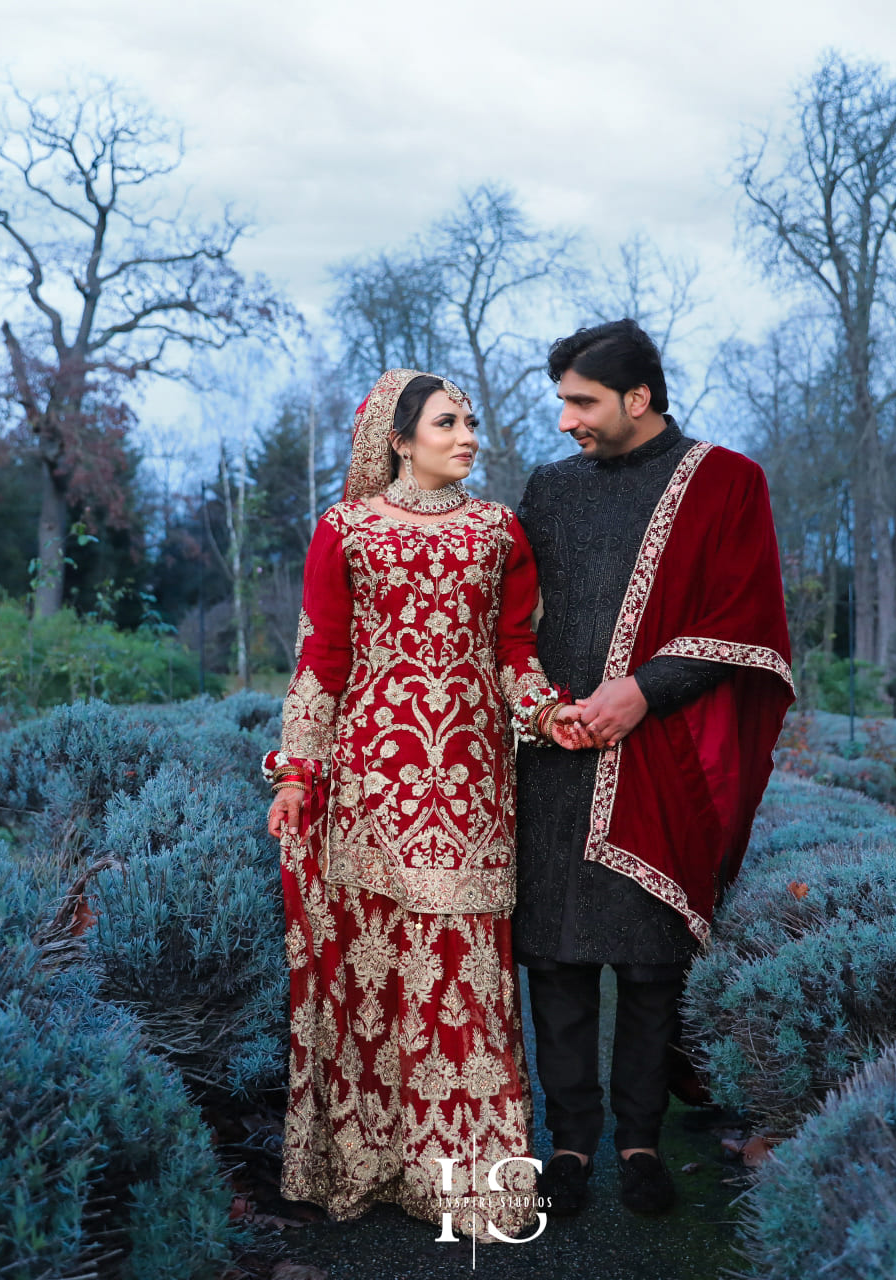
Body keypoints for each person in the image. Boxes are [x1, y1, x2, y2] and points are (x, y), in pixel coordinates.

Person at [264, 369, 594, 1240]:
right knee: (375, 971)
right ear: (399, 441)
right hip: (372, 783)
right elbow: (323, 658)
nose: (468, 435)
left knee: (465, 970)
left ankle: (471, 1187)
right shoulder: (347, 531)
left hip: (476, 782)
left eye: (471, 421)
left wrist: (546, 712)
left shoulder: (498, 532)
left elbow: (513, 649)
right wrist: (298, 773)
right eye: (447, 423)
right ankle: (370, 1167)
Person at [515, 320, 794, 1216]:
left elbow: (745, 618)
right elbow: (512, 616)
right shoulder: (550, 492)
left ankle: (638, 1141)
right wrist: (540, 706)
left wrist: (640, 692)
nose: (565, 420)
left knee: (648, 961)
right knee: (554, 961)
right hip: (557, 751)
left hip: (658, 748)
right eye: (562, 400)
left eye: (581, 401)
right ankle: (568, 1145)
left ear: (640, 398)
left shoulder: (726, 484)